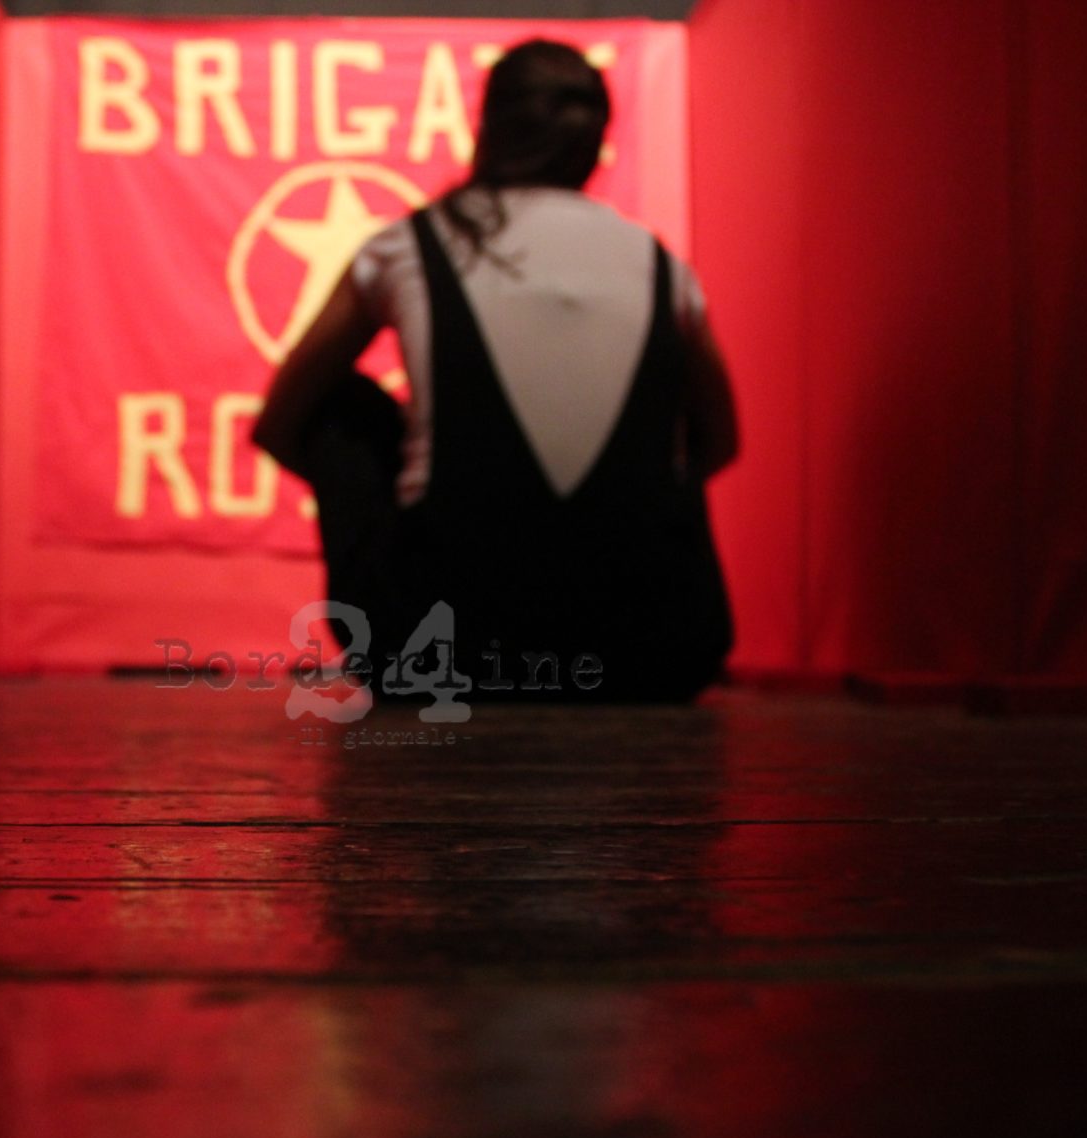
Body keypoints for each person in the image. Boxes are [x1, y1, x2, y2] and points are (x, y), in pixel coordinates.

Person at [253, 39, 738, 703]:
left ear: (487, 128)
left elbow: (282, 419)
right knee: (671, 426)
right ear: (596, 143)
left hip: (444, 647)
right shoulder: (661, 265)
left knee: (340, 405)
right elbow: (722, 441)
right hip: (649, 650)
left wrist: (394, 481)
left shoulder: (410, 245)